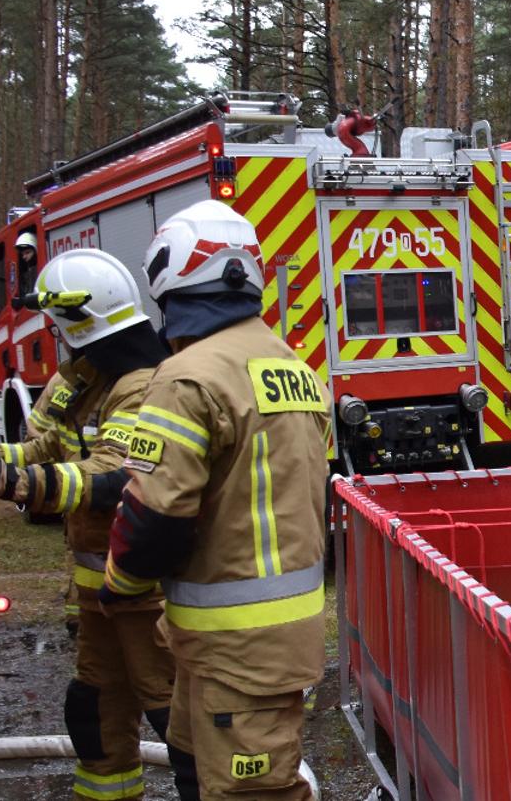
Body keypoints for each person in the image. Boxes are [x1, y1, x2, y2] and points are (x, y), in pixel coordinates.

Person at [101, 200, 328, 800]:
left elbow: (154, 521)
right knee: (190, 763)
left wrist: (118, 585)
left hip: (235, 655)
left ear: (170, 284)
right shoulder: (294, 367)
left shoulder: (186, 377)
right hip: (255, 645)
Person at [0, 248, 194, 801]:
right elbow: (47, 443)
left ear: (80, 321)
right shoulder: (90, 376)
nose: (56, 336)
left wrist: (19, 484)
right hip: (100, 598)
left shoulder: (142, 384)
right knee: (94, 711)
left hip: (145, 596)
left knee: (178, 722)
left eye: (59, 325)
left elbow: (114, 476)